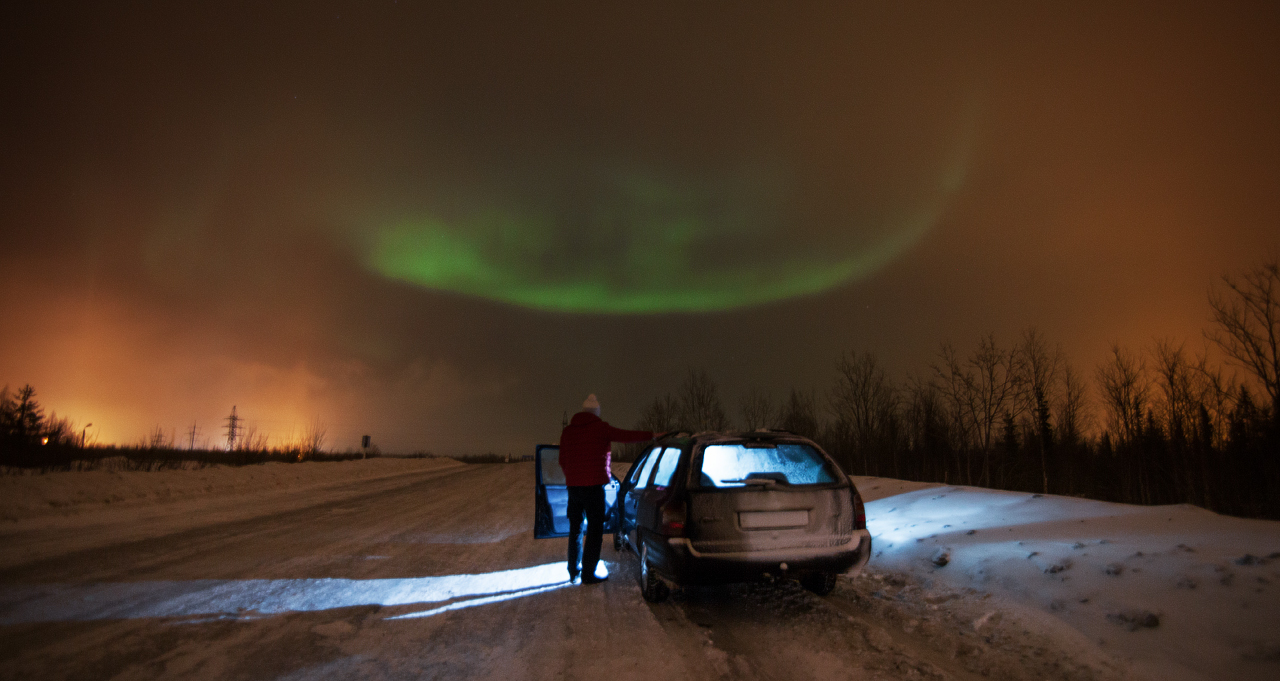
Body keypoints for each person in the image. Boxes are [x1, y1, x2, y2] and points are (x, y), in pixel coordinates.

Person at [558, 393, 659, 584]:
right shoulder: (601, 428)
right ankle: (589, 573)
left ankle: (573, 570)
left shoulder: (568, 432)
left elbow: (562, 460)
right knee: (595, 530)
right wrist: (651, 436)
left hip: (574, 488)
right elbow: (626, 436)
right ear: (596, 412)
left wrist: (572, 477)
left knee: (575, 528)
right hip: (594, 488)